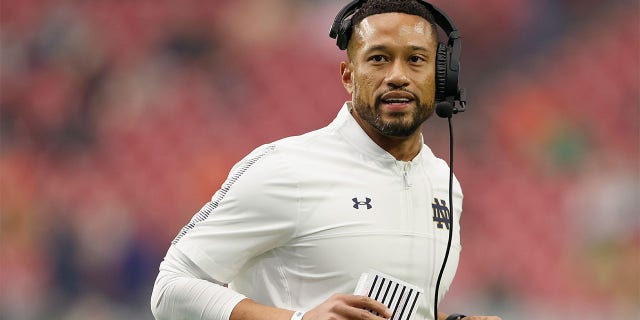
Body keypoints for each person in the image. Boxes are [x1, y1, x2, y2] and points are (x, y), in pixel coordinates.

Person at [150, 1, 501, 319]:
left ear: (442, 79)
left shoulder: (444, 183)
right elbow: (170, 289)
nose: (397, 75)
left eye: (416, 59)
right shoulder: (284, 168)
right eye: (378, 58)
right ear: (348, 77)